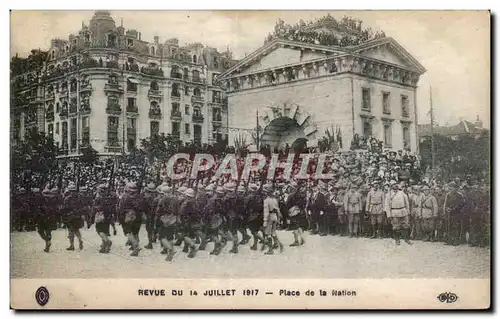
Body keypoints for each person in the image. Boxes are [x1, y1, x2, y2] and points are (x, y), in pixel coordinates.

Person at [117, 182, 145, 256]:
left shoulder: (125, 197)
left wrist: (120, 219)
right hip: (138, 217)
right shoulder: (139, 197)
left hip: (127, 217)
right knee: (135, 232)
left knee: (128, 232)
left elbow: (121, 209)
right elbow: (142, 207)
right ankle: (134, 245)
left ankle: (135, 246)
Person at [384, 181, 411, 245]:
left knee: (406, 225)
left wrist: (408, 211)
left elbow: (406, 202)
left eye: (396, 184)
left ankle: (406, 239)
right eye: (393, 185)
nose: (395, 186)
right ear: (391, 186)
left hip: (403, 211)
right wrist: (389, 215)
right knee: (396, 226)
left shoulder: (402, 193)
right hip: (394, 212)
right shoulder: (388, 195)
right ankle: (397, 240)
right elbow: (387, 205)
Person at [92, 184, 116, 253]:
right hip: (108, 216)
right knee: (105, 231)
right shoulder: (109, 198)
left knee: (99, 230)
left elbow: (95, 207)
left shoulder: (98, 198)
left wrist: (93, 215)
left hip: (101, 216)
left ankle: (107, 241)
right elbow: (113, 208)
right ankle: (103, 247)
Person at [262, 184, 283, 255]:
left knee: (267, 233)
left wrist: (265, 221)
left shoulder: (266, 200)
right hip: (275, 216)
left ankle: (270, 250)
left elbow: (266, 211)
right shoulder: (275, 200)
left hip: (270, 217)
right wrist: (279, 218)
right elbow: (278, 210)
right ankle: (277, 244)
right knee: (273, 232)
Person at [62, 183, 85, 251]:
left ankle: (72, 245)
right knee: (76, 229)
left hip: (70, 216)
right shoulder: (79, 198)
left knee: (71, 230)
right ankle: (80, 240)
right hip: (78, 216)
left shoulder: (67, 199)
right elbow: (82, 207)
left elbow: (65, 208)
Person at [443, 182, 466, 246]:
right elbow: (446, 203)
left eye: (453, 187)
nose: (451, 189)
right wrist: (447, 209)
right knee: (449, 226)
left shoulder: (460, 195)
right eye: (450, 187)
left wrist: (454, 209)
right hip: (449, 213)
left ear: (456, 188)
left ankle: (456, 240)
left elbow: (461, 204)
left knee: (456, 227)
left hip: (457, 213)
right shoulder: (448, 195)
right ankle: (449, 240)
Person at [178, 188, 199, 258]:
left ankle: (193, 246)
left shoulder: (187, 203)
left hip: (187, 221)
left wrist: (181, 220)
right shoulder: (195, 201)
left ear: (187, 195)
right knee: (190, 235)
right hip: (194, 221)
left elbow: (182, 212)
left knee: (184, 235)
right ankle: (185, 248)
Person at [286, 182, 306, 246]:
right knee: (298, 226)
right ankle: (302, 238)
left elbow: (287, 205)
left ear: (292, 188)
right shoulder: (301, 194)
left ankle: (296, 241)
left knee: (294, 227)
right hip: (299, 211)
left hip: (292, 212)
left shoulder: (290, 195)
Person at [143, 183, 158, 250]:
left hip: (150, 215)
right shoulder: (156, 197)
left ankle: (150, 243)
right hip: (156, 215)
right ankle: (153, 238)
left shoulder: (147, 198)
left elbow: (145, 207)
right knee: (153, 228)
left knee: (149, 229)